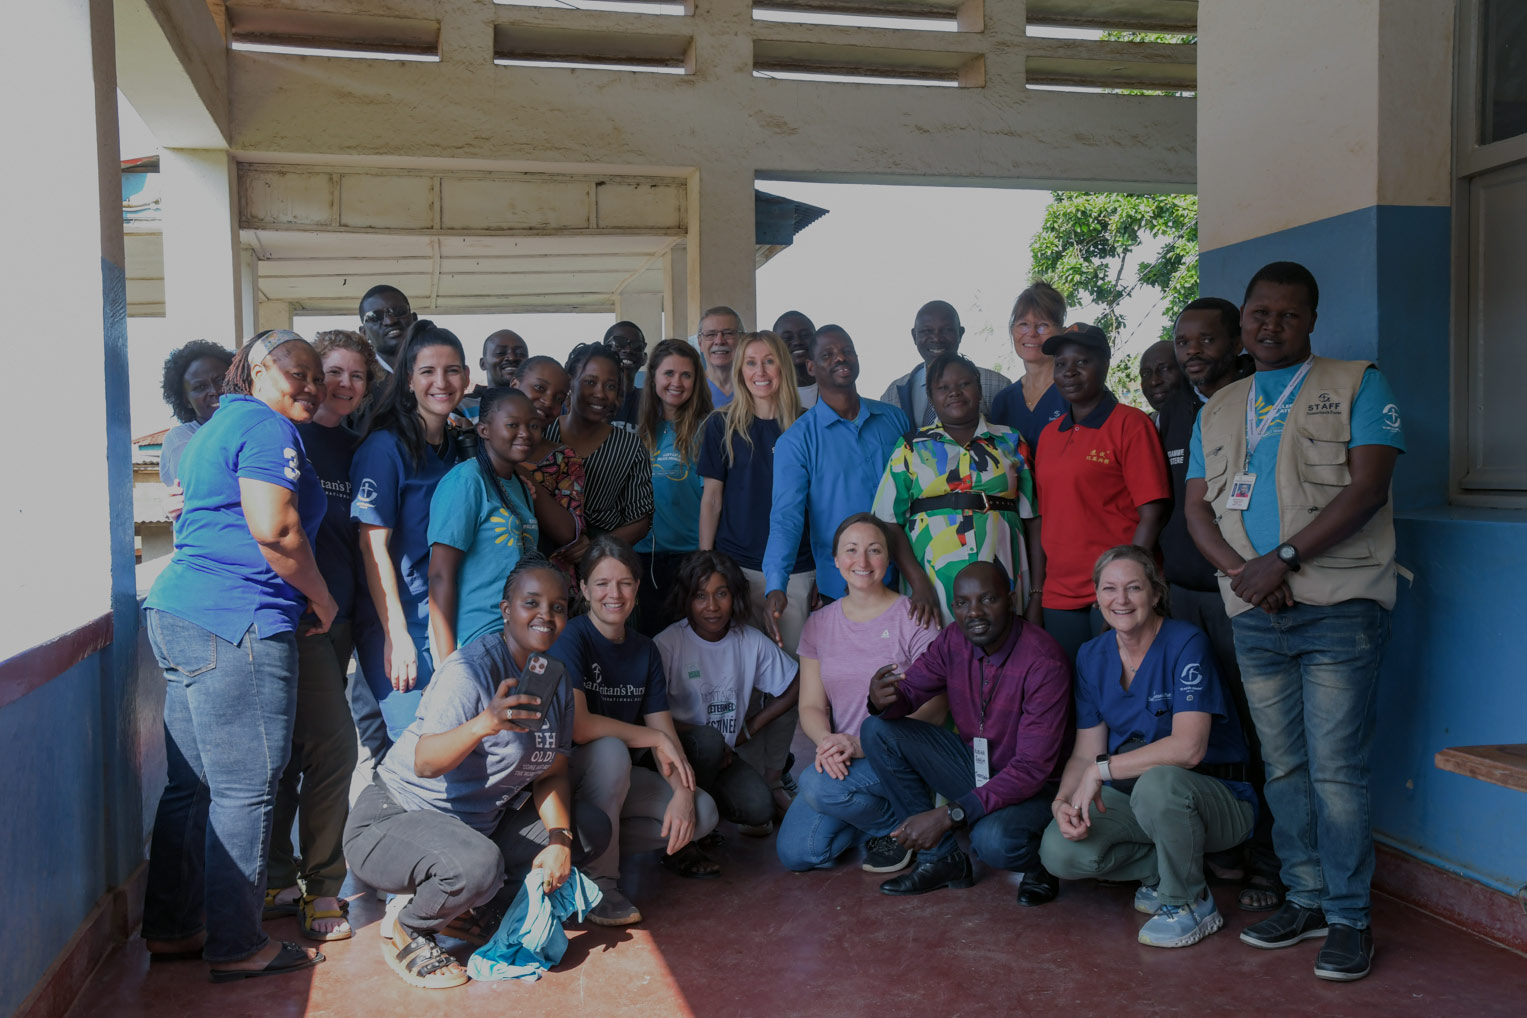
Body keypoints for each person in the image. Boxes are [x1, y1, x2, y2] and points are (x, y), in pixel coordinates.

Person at [1185, 261, 1405, 982]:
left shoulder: (1356, 383)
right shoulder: (1221, 405)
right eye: (1258, 313)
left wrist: (1278, 559)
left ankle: (1348, 918)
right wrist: (1241, 573)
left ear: (1310, 321)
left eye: (1286, 314)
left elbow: (1369, 487)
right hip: (1254, 611)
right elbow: (1195, 508)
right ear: (1242, 318)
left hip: (1338, 609)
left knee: (1336, 772)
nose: (1269, 326)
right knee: (1281, 766)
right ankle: (1305, 896)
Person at [141, 330, 333, 980]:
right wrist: (322, 599)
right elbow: (275, 528)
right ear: (251, 372)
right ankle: (236, 944)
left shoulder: (217, 427)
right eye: (294, 372)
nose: (309, 385)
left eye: (315, 375)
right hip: (236, 619)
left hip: (180, 613)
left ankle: (173, 929)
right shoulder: (265, 428)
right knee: (246, 787)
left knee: (191, 786)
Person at [342, 563, 610, 990]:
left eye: (557, 606)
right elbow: (426, 762)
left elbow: (553, 770)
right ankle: (409, 927)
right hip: (391, 819)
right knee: (478, 865)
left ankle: (467, 908)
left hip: (476, 828)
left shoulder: (554, 679)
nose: (546, 614)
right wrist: (485, 723)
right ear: (506, 609)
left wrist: (560, 839)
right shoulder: (470, 668)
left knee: (587, 829)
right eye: (531, 603)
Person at [1040, 546, 1256, 949]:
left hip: (1219, 798)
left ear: (1155, 594)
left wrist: (1100, 771)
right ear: (1097, 596)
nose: (1120, 600)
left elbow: (1189, 749)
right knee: (1059, 851)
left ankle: (1191, 901)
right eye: (1109, 589)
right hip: (1142, 800)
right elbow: (1087, 752)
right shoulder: (1092, 656)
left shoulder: (1186, 642)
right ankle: (1164, 872)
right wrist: (1064, 800)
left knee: (1159, 783)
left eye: (1133, 588)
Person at [1157, 297, 1276, 911]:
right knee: (1200, 724)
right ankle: (1219, 843)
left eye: (1206, 340)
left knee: (1260, 725)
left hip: (1249, 594)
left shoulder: (1265, 399)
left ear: (1235, 342)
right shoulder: (1173, 410)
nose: (1192, 351)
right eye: (1183, 341)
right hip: (1183, 597)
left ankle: (1266, 854)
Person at [265, 330, 383, 942]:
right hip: (295, 617)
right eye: (329, 371)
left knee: (318, 749)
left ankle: (296, 879)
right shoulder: (286, 433)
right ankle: (307, 883)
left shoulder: (360, 449)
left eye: (355, 376)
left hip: (344, 621)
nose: (340, 384)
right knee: (313, 750)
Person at [861, 561, 1071, 903]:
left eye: (988, 599)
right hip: (980, 768)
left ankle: (1041, 862)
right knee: (877, 729)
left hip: (1037, 790)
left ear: (1011, 600)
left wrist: (950, 813)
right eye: (962, 603)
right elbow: (911, 691)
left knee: (993, 843)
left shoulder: (1044, 662)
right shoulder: (953, 640)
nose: (974, 612)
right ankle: (942, 861)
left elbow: (1032, 770)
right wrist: (883, 699)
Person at [552, 537, 721, 926]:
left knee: (703, 813)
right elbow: (580, 727)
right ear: (583, 589)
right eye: (602, 583)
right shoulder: (571, 637)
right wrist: (655, 738)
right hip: (569, 781)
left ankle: (583, 856)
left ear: (637, 588)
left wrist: (681, 790)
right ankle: (603, 886)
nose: (614, 593)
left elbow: (664, 733)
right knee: (610, 749)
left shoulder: (645, 650)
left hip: (614, 785)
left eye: (625, 583)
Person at [776, 515, 944, 873]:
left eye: (874, 550)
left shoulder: (914, 617)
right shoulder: (819, 624)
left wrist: (860, 745)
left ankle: (899, 829)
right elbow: (809, 705)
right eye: (851, 551)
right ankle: (882, 823)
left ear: (888, 558)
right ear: (835, 560)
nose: (863, 562)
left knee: (813, 784)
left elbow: (936, 708)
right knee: (798, 852)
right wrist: (828, 742)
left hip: (899, 760)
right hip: (843, 763)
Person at [761, 325, 938, 641]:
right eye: (828, 354)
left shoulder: (893, 419)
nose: (840, 358)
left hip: (908, 577)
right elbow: (785, 519)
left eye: (847, 351)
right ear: (811, 367)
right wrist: (777, 584)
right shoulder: (797, 440)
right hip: (843, 585)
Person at [351, 320, 471, 754]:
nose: (442, 382)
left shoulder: (460, 448)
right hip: (401, 621)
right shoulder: (384, 449)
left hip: (451, 617)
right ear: (408, 381)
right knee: (417, 747)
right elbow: (372, 546)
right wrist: (396, 635)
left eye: (452, 370)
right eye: (428, 372)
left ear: (467, 378)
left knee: (459, 743)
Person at [1032, 323, 1171, 663]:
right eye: (1061, 364)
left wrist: (1126, 584)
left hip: (1115, 592)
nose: (1070, 372)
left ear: (1105, 364)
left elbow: (1153, 511)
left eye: (1082, 362)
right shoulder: (1049, 435)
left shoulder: (1131, 424)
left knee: (1123, 690)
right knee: (1070, 696)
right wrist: (1038, 592)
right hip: (1060, 593)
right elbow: (1044, 515)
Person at [873, 353, 1041, 623]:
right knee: (939, 656)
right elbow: (888, 523)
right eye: (943, 388)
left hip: (1005, 579)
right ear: (931, 396)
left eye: (964, 384)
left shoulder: (1011, 440)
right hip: (933, 584)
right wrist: (919, 583)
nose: (955, 393)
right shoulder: (910, 447)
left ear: (979, 387)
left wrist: (1036, 594)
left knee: (1008, 654)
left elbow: (1033, 521)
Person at [655, 551, 801, 833]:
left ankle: (706, 811)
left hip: (724, 757)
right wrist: (711, 741)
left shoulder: (749, 640)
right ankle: (691, 816)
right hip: (680, 753)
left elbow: (796, 682)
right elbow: (648, 714)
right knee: (708, 741)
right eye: (700, 596)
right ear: (686, 599)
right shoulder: (667, 644)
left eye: (721, 593)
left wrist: (750, 729)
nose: (712, 606)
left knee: (760, 809)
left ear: (734, 596)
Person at [429, 388, 578, 662]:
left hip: (517, 641)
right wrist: (447, 664)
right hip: (475, 639)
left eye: (533, 425)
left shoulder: (521, 485)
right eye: (513, 425)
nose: (525, 433)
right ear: (484, 430)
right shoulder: (466, 481)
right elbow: (440, 574)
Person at [698, 331, 812, 654]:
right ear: (740, 371)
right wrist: (705, 565)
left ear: (783, 368)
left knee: (791, 670)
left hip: (795, 570)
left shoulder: (807, 425)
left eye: (768, 361)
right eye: (751, 363)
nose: (760, 372)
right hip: (735, 566)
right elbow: (712, 499)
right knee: (739, 673)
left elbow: (817, 505)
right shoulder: (720, 425)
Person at [633, 339, 713, 634]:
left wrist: (705, 560)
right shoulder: (641, 431)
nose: (676, 382)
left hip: (689, 558)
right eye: (668, 374)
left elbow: (713, 500)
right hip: (643, 558)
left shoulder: (708, 429)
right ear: (653, 376)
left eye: (686, 375)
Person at [546, 344, 653, 547]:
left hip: (603, 561)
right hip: (540, 557)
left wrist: (594, 548)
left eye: (611, 386)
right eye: (590, 382)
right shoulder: (543, 433)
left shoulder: (630, 447)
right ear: (570, 382)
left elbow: (641, 521)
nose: (601, 393)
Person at [511, 356, 588, 595]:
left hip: (551, 586)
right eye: (539, 388)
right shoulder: (481, 447)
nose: (547, 401)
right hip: (491, 584)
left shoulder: (564, 458)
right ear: (515, 386)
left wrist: (521, 473)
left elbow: (568, 533)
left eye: (558, 398)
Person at [881, 300, 1011, 428]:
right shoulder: (893, 393)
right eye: (927, 331)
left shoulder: (997, 385)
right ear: (914, 336)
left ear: (960, 333)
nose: (937, 338)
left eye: (947, 330)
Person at [990, 281, 1070, 456]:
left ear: (1062, 333)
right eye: (1023, 324)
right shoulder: (1003, 401)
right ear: (1012, 330)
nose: (1032, 333)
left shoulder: (1075, 391)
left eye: (1043, 325)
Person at [157, 340, 234, 486]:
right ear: (186, 400)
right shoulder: (181, 439)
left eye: (221, 380)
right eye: (200, 387)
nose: (214, 391)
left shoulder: (252, 426)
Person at [460, 330, 529, 419]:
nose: (512, 358)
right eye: (500, 353)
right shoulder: (462, 407)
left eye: (520, 353)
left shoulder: (539, 406)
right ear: (483, 363)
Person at [358, 284, 417, 370]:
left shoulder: (438, 364)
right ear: (364, 333)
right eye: (375, 316)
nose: (390, 321)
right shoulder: (360, 377)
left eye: (399, 311)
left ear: (414, 320)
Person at [605, 321, 649, 427]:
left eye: (637, 346)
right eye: (619, 343)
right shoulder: (589, 399)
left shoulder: (650, 401)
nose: (628, 350)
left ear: (644, 358)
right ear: (603, 351)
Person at [697, 305, 742, 407]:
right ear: (700, 344)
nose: (719, 341)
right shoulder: (692, 389)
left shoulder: (755, 387)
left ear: (742, 340)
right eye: (710, 334)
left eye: (728, 333)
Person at [772, 310, 818, 408]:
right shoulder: (767, 393)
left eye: (805, 335)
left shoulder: (833, 387)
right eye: (787, 338)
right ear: (774, 345)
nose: (797, 342)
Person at [1139, 340, 1183, 417]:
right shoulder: (1143, 425)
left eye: (1164, 369)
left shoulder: (1205, 419)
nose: (1153, 382)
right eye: (1145, 374)